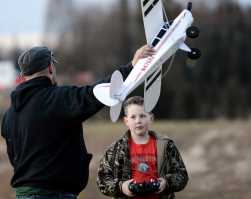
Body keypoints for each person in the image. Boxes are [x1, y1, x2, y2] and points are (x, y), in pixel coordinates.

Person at [1, 45, 155, 199]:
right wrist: (132, 66)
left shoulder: (9, 116)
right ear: (50, 67)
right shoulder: (58, 99)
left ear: (23, 75)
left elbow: (15, 158)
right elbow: (98, 92)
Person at [97, 96, 188, 199]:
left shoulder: (166, 146)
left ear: (151, 118)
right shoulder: (115, 149)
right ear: (126, 121)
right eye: (133, 117)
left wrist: (166, 183)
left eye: (142, 116)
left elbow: (182, 175)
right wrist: (122, 187)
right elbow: (102, 179)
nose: (138, 121)